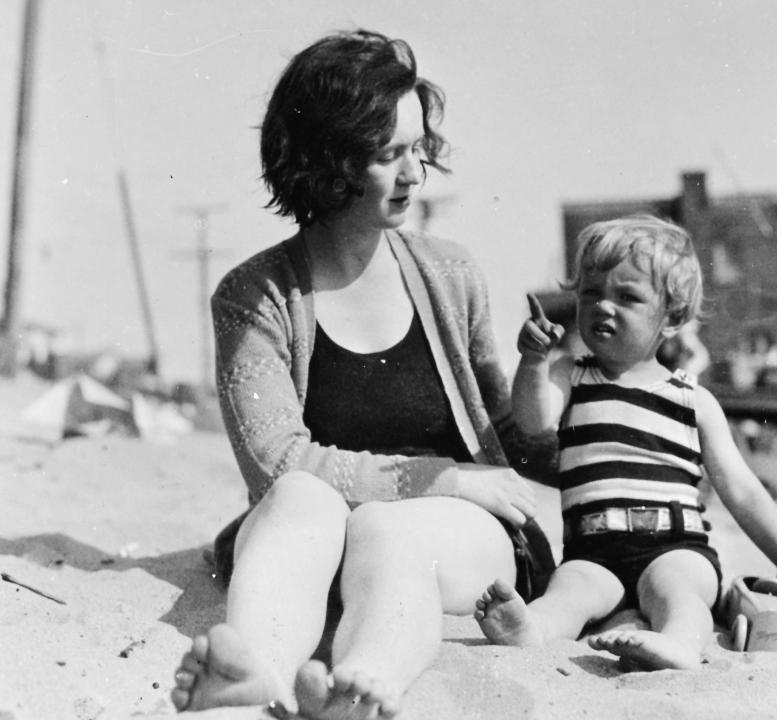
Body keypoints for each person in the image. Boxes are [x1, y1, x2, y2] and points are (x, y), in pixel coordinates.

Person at [169, 29, 555, 719]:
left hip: (457, 536)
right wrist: (442, 476)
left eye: (418, 150)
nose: (414, 174)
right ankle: (254, 670)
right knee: (294, 497)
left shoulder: (451, 272)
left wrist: (551, 385)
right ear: (328, 164)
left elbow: (510, 444)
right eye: (388, 155)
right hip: (325, 543)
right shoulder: (254, 296)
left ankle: (364, 685)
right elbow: (276, 463)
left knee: (386, 527)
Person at [473, 215, 777, 671]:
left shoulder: (693, 400)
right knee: (570, 592)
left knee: (678, 592)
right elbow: (533, 421)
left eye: (627, 297)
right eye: (591, 293)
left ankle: (679, 644)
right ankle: (532, 628)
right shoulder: (570, 374)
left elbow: (742, 489)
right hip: (593, 549)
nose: (603, 307)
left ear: (672, 317)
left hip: (677, 545)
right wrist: (533, 362)